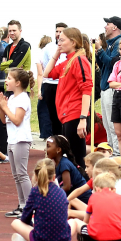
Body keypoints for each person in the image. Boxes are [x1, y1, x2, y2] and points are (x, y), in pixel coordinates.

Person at [43, 27, 93, 168]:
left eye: (62, 40)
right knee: (70, 158)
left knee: (76, 158)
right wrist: (57, 53)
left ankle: (82, 186)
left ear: (73, 42)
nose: (59, 43)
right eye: (58, 40)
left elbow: (86, 89)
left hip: (75, 114)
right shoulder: (68, 62)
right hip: (66, 115)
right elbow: (48, 73)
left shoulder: (79, 61)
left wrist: (83, 118)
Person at [0, 67, 34, 218]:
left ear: (18, 83)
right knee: (16, 175)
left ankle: (31, 205)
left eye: (9, 78)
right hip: (11, 139)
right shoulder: (11, 98)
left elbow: (17, 120)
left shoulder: (23, 98)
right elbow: (4, 120)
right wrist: (2, 107)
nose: (6, 81)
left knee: (22, 173)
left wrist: (5, 107)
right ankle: (22, 204)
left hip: (21, 139)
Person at [10, 159, 72, 241]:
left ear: (35, 177)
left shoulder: (35, 191)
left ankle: (27, 239)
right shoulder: (61, 192)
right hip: (63, 240)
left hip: (41, 240)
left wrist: (31, 227)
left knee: (15, 222)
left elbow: (25, 218)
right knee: (73, 222)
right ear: (54, 177)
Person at [68, 172, 121, 241]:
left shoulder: (93, 197)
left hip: (95, 237)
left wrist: (83, 227)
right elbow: (120, 218)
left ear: (97, 188)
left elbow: (86, 218)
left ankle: (66, 238)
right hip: (119, 237)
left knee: (74, 221)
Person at [97, 16, 121, 157]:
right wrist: (98, 53)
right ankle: (112, 151)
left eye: (107, 24)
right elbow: (103, 66)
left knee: (113, 125)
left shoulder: (119, 43)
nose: (105, 27)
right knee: (107, 125)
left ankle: (117, 153)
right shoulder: (111, 43)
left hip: (111, 88)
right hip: (105, 87)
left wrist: (100, 50)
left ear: (115, 27)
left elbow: (113, 64)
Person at [38, 23, 68, 136]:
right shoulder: (49, 47)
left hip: (63, 84)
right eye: (57, 31)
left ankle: (64, 137)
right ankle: (55, 138)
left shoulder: (69, 48)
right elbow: (45, 68)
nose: (58, 34)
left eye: (61, 32)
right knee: (52, 114)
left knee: (63, 114)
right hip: (50, 83)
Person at [46, 135, 90, 204]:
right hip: (74, 198)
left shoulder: (64, 164)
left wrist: (52, 196)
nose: (45, 149)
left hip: (82, 199)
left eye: (48, 146)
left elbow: (67, 187)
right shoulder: (57, 163)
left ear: (58, 150)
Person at [34, 35, 54, 139]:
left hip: (46, 83)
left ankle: (46, 133)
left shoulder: (39, 55)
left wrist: (39, 90)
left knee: (43, 110)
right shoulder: (53, 53)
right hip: (54, 82)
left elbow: (40, 74)